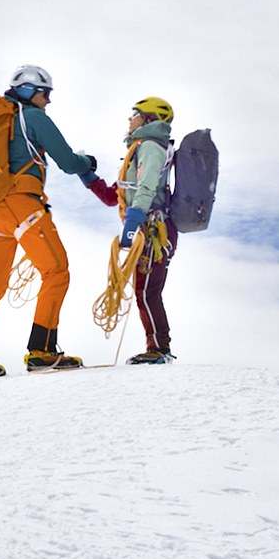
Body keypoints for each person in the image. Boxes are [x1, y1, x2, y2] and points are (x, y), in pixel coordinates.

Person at [0, 66, 97, 382]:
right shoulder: (33, 118)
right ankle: (43, 351)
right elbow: (68, 162)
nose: (48, 100)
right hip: (23, 204)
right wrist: (89, 164)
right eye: (46, 93)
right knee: (56, 271)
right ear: (31, 91)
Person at [80, 96, 178, 364]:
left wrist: (134, 220)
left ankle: (159, 348)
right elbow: (116, 196)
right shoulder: (139, 149)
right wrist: (87, 176)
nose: (130, 118)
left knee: (147, 291)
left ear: (149, 120)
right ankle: (157, 347)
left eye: (135, 113)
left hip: (154, 227)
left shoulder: (150, 147)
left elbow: (145, 188)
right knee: (146, 290)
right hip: (149, 226)